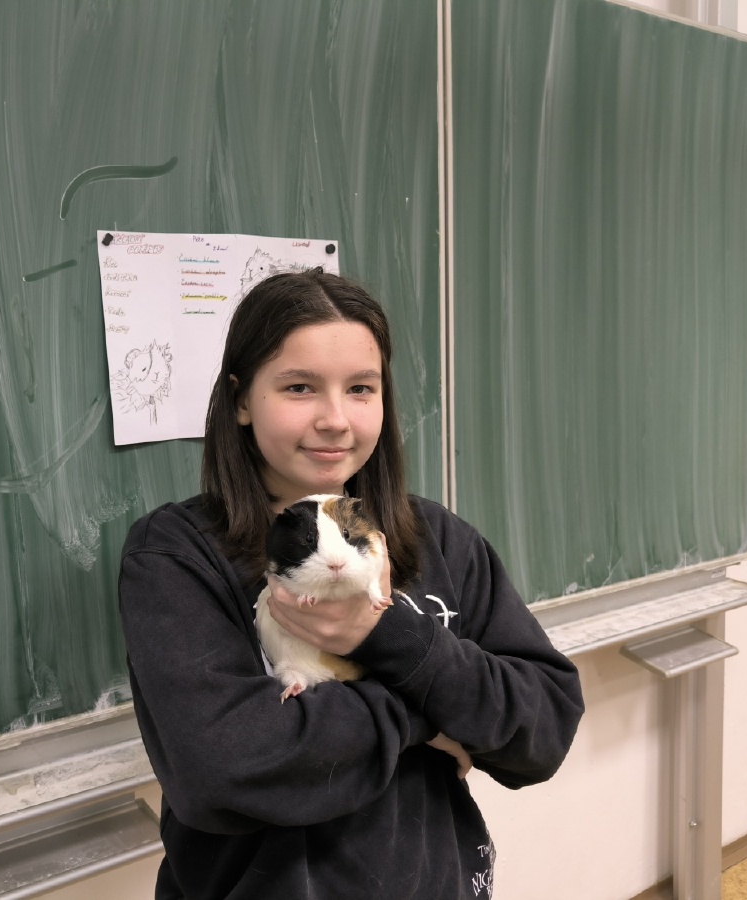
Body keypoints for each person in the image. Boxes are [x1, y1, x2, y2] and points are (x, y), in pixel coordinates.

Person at [118, 269, 584, 899]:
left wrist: (390, 635)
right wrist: (429, 720)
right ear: (241, 399)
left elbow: (543, 728)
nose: (336, 419)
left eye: (361, 388)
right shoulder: (176, 555)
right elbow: (225, 770)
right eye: (300, 387)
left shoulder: (437, 537)